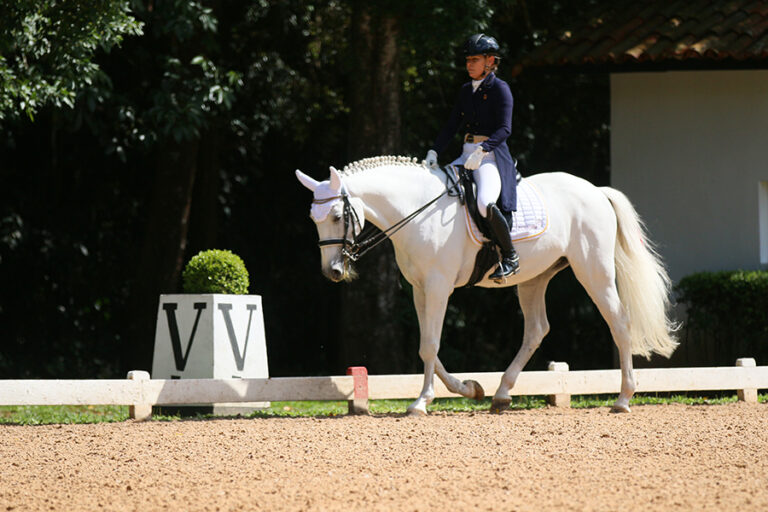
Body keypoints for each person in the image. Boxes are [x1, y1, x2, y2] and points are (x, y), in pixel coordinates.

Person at [425, 33, 519, 279]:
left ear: (490, 61)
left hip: (489, 157)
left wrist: (484, 149)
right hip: (466, 153)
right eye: (468, 60)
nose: (469, 64)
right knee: (437, 190)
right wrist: (435, 150)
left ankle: (510, 255)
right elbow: (452, 124)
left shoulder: (501, 89)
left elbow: (505, 129)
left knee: (484, 202)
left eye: (474, 59)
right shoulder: (466, 90)